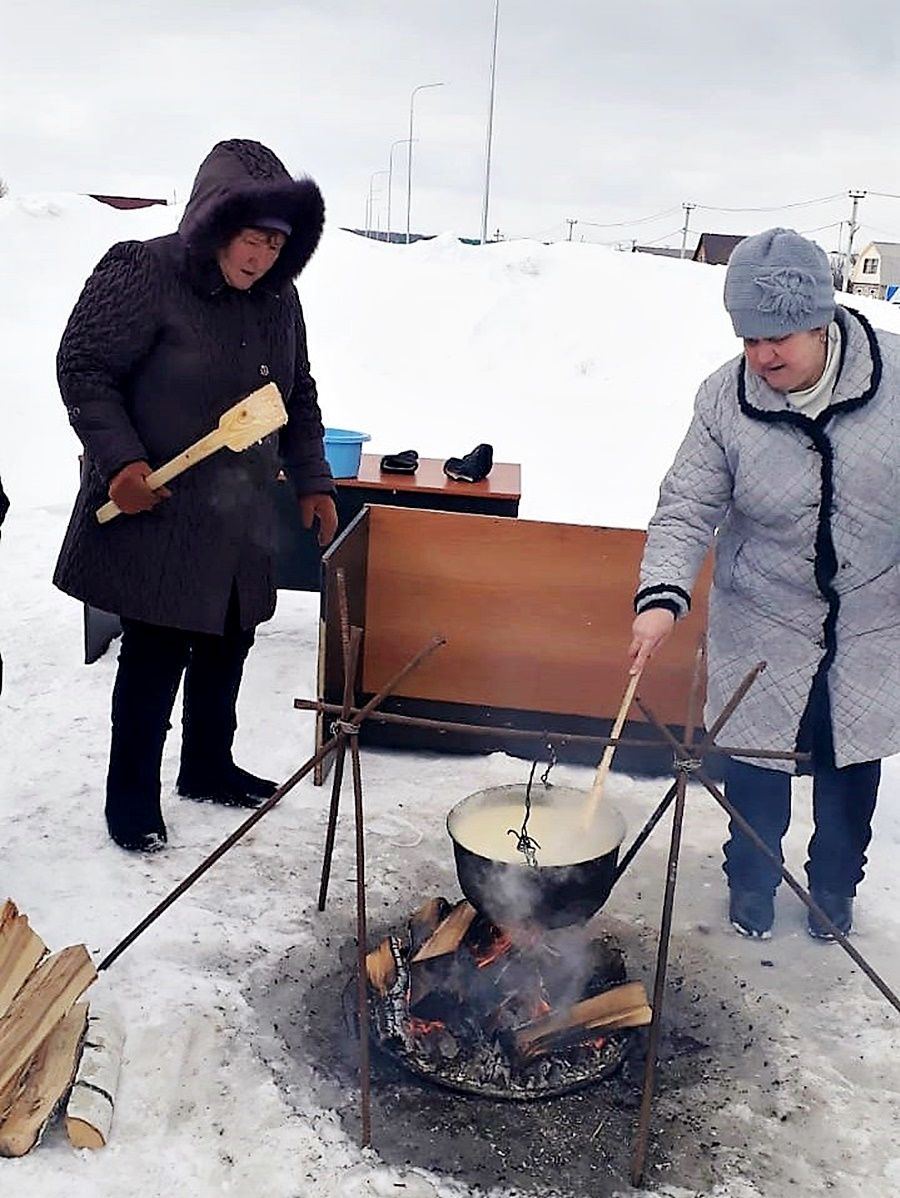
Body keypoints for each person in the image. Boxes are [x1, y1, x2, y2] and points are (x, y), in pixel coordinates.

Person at [54, 139, 338, 853]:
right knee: (155, 655)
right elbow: (84, 368)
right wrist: (120, 461)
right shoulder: (143, 270)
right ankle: (131, 802)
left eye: (276, 244)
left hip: (240, 511)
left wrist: (313, 479)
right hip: (161, 506)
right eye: (250, 239)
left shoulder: (280, 300)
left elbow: (294, 394)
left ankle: (207, 767)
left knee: (228, 641)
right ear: (214, 224)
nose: (261, 257)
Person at [629, 227, 900, 942]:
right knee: (754, 766)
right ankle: (750, 883)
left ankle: (834, 891)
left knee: (849, 769)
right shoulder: (725, 398)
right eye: (748, 338)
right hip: (764, 611)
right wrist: (661, 597)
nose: (762, 355)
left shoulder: (897, 379)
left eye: (778, 338)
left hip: (873, 614)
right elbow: (687, 505)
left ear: (822, 320)